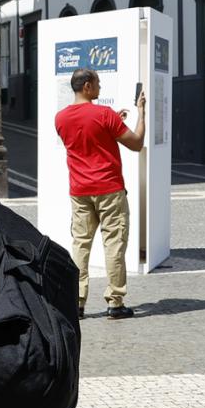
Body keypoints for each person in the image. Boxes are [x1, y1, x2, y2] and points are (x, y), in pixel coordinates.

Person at [54, 68, 146, 320]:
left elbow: (85, 135)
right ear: (87, 86)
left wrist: (112, 122)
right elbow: (136, 143)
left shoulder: (60, 118)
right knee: (114, 245)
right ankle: (115, 302)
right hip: (109, 189)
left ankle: (77, 303)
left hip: (79, 191)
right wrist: (141, 113)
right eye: (97, 83)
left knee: (81, 246)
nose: (100, 87)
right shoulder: (105, 115)